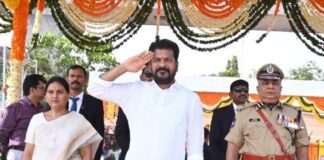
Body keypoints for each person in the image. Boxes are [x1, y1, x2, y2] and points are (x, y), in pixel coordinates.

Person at [87, 39, 204, 160]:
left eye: (168, 60)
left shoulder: (190, 99)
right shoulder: (134, 91)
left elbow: (195, 150)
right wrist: (124, 67)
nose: (162, 65)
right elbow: (94, 88)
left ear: (177, 65)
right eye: (157, 60)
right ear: (150, 64)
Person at [225, 63, 310, 160]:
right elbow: (233, 146)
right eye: (265, 83)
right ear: (258, 88)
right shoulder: (243, 113)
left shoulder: (294, 113)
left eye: (275, 83)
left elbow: (302, 146)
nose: (270, 86)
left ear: (280, 88)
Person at [23, 76, 102, 160]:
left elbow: (86, 154)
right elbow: (28, 153)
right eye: (50, 92)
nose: (55, 95)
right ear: (46, 96)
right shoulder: (36, 119)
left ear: (68, 96)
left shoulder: (78, 120)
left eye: (59, 92)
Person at [0, 74, 47, 160]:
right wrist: (6, 150)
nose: (45, 91)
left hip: (38, 154)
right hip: (18, 153)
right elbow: (3, 132)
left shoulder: (43, 110)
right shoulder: (16, 108)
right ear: (32, 89)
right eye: (42, 88)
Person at [66, 65, 105, 160]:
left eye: (79, 76)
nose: (75, 79)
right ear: (67, 79)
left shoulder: (95, 102)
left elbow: (99, 132)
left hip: (85, 155)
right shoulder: (58, 101)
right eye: (72, 76)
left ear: (85, 80)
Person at [115, 65, 153, 160]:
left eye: (156, 77)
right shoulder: (128, 101)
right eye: (148, 75)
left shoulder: (169, 104)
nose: (151, 80)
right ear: (141, 78)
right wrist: (134, 152)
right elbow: (120, 133)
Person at [209, 79, 249, 160]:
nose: (242, 93)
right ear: (230, 94)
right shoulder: (219, 113)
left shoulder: (256, 112)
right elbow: (214, 143)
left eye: (245, 90)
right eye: (238, 90)